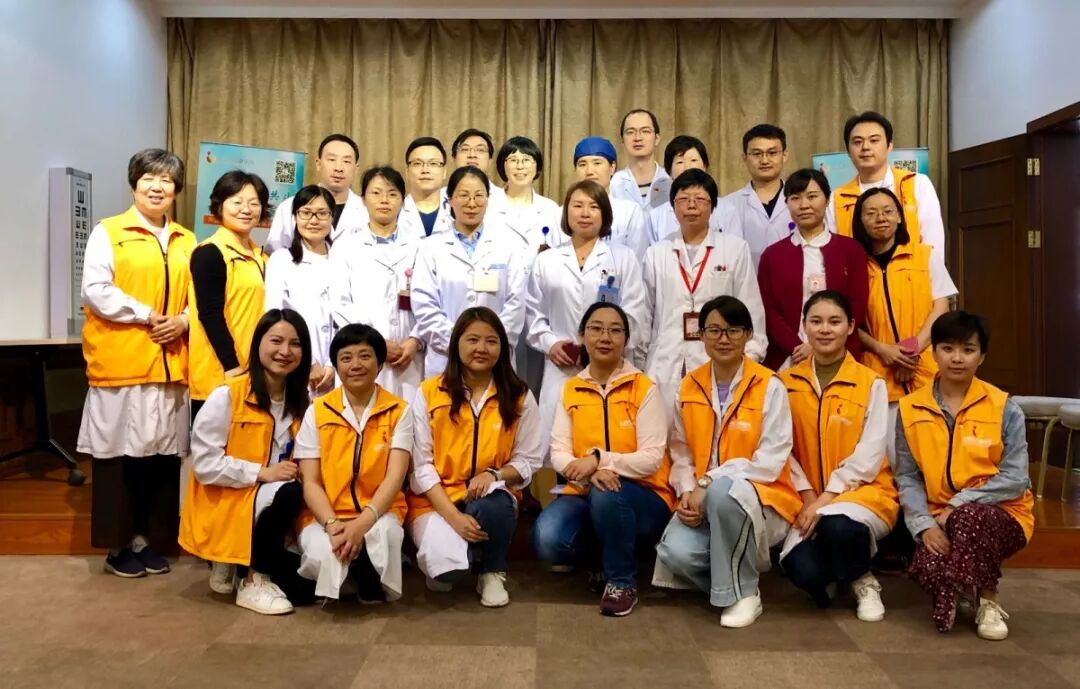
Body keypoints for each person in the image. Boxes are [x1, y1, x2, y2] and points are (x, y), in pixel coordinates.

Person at [653, 296, 802, 628]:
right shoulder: (689, 385)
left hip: (763, 498)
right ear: (701, 335)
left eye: (733, 330)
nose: (723, 339)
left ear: (748, 335)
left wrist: (708, 482)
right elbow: (680, 451)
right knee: (674, 553)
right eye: (714, 330)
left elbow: (770, 460)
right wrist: (687, 491)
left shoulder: (769, 385)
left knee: (724, 492)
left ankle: (743, 592)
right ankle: (730, 577)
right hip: (702, 498)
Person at [78, 148, 192, 578]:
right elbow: (96, 290)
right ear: (134, 185)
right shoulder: (109, 232)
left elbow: (200, 297)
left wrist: (182, 320)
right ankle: (117, 545)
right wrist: (148, 315)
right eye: (149, 178)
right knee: (118, 458)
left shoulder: (187, 240)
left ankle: (147, 538)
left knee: (160, 456)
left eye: (166, 180)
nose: (157, 187)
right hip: (122, 364)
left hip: (171, 365)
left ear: (176, 190)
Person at [895, 311, 1034, 640]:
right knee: (926, 566)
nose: (957, 358)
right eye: (948, 348)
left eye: (968, 350)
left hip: (1004, 513)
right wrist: (924, 525)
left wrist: (959, 503)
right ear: (933, 352)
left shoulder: (1004, 407)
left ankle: (987, 599)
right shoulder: (910, 408)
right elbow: (908, 476)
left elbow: (1016, 477)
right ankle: (959, 580)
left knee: (971, 519)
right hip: (937, 517)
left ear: (982, 356)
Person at [532, 302, 673, 617]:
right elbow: (559, 452)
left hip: (645, 496)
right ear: (582, 336)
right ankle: (603, 555)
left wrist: (599, 460)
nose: (605, 337)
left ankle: (621, 581)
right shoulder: (571, 388)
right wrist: (590, 473)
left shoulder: (644, 388)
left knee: (608, 494)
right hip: (586, 489)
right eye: (596, 329)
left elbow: (651, 459)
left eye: (615, 330)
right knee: (548, 538)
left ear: (626, 339)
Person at [179, 309, 316, 615]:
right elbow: (205, 465)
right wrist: (263, 473)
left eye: (295, 344)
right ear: (258, 344)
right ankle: (253, 578)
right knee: (289, 491)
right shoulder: (228, 396)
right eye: (276, 341)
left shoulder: (302, 401)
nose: (285, 351)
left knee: (305, 591)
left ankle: (236, 562)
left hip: (271, 504)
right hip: (230, 499)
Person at [407, 307, 542, 607]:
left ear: (502, 348)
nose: (481, 348)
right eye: (472, 340)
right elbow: (421, 466)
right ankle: (463, 555)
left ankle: (492, 571)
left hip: (488, 494)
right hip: (436, 498)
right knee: (445, 575)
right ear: (456, 344)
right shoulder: (429, 392)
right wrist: (454, 518)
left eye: (491, 341)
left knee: (496, 505)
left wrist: (495, 474)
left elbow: (529, 460)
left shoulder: (518, 394)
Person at [778, 291, 898, 621]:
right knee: (801, 570)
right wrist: (807, 495)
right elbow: (781, 448)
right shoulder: (784, 383)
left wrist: (825, 499)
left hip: (862, 493)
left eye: (835, 321)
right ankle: (837, 572)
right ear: (804, 326)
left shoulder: (870, 383)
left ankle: (863, 580)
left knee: (838, 526)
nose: (825, 329)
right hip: (804, 498)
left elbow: (870, 454)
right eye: (816, 321)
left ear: (850, 326)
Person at [526, 180, 648, 457]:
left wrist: (604, 346)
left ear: (605, 214)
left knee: (606, 444)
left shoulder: (623, 258)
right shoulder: (547, 260)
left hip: (609, 365)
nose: (585, 213)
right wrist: (550, 344)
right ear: (566, 212)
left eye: (593, 206)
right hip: (561, 365)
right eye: (577, 205)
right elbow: (533, 314)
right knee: (559, 447)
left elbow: (634, 313)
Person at [294, 324, 412, 602]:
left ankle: (365, 574)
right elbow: (310, 482)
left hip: (379, 511)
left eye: (365, 356)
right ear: (336, 366)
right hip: (326, 513)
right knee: (324, 555)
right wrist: (333, 524)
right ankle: (354, 573)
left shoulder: (399, 410)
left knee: (385, 536)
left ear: (380, 364)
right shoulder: (317, 411)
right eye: (346, 358)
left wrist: (361, 524)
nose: (355, 365)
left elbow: (395, 477)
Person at [642, 169, 766, 409]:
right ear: (673, 206)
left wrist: (749, 359)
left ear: (712, 206)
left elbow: (751, 309)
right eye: (683, 199)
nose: (691, 206)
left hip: (721, 360)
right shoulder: (656, 253)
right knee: (664, 428)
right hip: (665, 362)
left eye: (700, 199)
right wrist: (640, 365)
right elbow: (644, 315)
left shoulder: (734, 249)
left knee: (713, 426)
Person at [411, 166, 528, 377]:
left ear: (488, 200)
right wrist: (458, 343)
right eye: (464, 195)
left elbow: (516, 303)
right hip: (446, 356)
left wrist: (491, 342)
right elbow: (424, 304)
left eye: (479, 196)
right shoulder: (431, 248)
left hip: (495, 359)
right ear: (450, 200)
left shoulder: (508, 245)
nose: (472, 203)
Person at [853, 187, 956, 412]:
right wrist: (882, 349)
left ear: (900, 216)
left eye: (888, 211)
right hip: (879, 375)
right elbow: (847, 320)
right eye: (871, 213)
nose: (881, 218)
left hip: (926, 372)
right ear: (860, 221)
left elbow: (941, 306)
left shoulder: (925, 255)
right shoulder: (854, 264)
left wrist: (911, 352)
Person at [757, 168, 868, 371]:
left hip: (841, 353)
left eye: (812, 196)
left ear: (827, 200)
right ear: (787, 204)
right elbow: (768, 310)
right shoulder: (772, 255)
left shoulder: (851, 250)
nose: (804, 205)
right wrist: (797, 346)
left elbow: (857, 304)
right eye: (795, 198)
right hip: (789, 356)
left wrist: (819, 345)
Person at [331, 166, 425, 403]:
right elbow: (340, 304)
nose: (384, 200)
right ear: (363, 199)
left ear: (403, 201)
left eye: (392, 194)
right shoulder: (346, 246)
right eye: (376, 193)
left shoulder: (420, 246)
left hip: (409, 355)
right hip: (363, 350)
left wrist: (416, 340)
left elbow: (431, 299)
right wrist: (375, 341)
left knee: (409, 416)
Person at [188, 170, 270, 418]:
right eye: (237, 202)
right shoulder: (210, 252)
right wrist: (231, 365)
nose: (246, 209)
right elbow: (209, 314)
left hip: (253, 375)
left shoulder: (261, 257)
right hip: (220, 376)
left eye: (254, 203)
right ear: (219, 206)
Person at [826, 111, 945, 261]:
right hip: (859, 275)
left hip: (912, 273)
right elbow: (833, 252)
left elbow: (933, 244)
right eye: (857, 142)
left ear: (889, 145)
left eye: (874, 140)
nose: (865, 147)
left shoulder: (917, 184)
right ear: (848, 150)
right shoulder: (836, 198)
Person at [264, 185, 337, 394]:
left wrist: (333, 363)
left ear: (332, 217)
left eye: (322, 213)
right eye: (305, 213)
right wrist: (309, 361)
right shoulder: (281, 260)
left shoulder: (343, 259)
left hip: (338, 366)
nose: (313, 220)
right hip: (295, 363)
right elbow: (276, 315)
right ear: (295, 217)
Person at [266, 134, 367, 252]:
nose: (338, 168)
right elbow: (274, 251)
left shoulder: (367, 211)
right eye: (332, 159)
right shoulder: (289, 206)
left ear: (356, 169)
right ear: (318, 164)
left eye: (346, 161)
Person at [716, 124, 794, 267]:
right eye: (757, 154)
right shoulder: (728, 205)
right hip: (747, 280)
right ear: (745, 158)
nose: (764, 160)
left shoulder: (800, 200)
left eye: (772, 153)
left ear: (785, 155)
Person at [571, 136, 652, 260]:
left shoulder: (629, 212)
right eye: (582, 164)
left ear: (612, 167)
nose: (589, 171)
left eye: (597, 163)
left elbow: (637, 261)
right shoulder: (561, 213)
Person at [488, 135, 562, 253]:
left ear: (537, 165)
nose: (520, 166)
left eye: (526, 160)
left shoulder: (550, 209)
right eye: (513, 160)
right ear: (503, 165)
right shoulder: (489, 205)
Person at [646, 135, 724, 243]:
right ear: (669, 171)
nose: (687, 167)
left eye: (693, 160)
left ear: (705, 166)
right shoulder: (656, 216)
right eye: (680, 162)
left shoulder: (727, 209)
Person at [610, 109, 672, 210]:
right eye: (630, 132)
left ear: (656, 139)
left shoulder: (670, 180)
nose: (638, 138)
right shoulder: (614, 183)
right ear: (622, 140)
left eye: (645, 131)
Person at [399, 137, 452, 238]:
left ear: (444, 171)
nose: (425, 170)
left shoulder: (457, 211)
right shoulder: (395, 213)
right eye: (417, 163)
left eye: (433, 163)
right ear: (407, 172)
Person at [444, 128, 507, 209]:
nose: (472, 155)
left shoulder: (504, 199)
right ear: (454, 158)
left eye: (480, 150)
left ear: (490, 160)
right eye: (465, 149)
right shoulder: (440, 197)